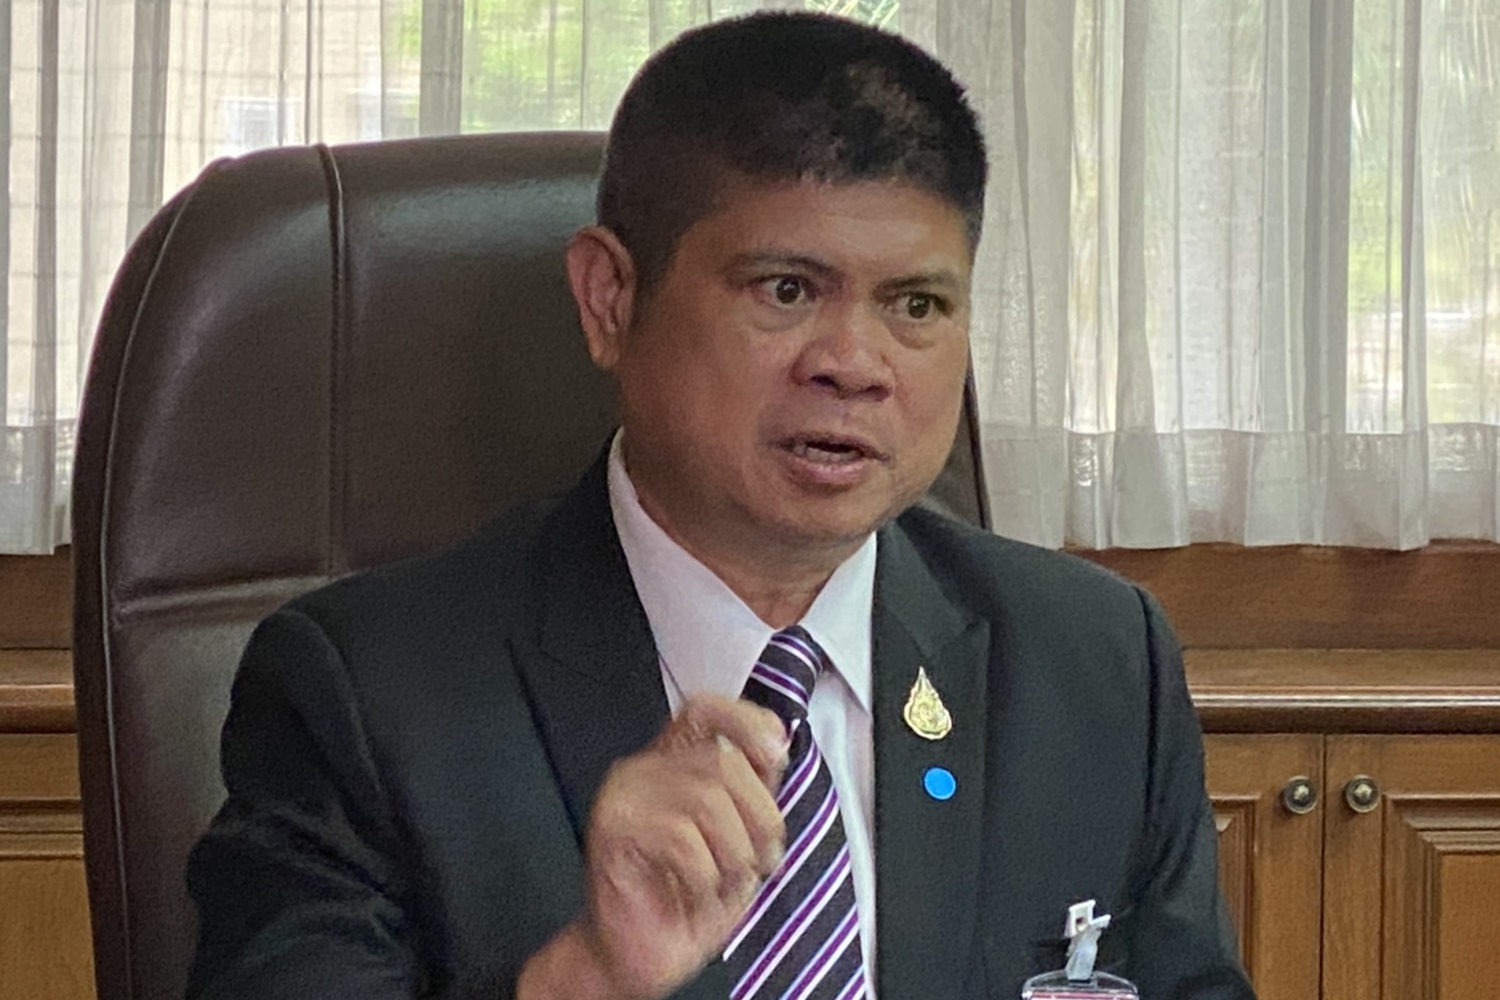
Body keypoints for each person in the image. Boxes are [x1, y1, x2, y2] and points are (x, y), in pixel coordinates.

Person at [185, 11, 1255, 1000]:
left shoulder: (1095, 662)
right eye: (787, 290)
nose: (855, 363)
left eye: (917, 304)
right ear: (610, 299)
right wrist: (589, 976)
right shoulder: (366, 698)